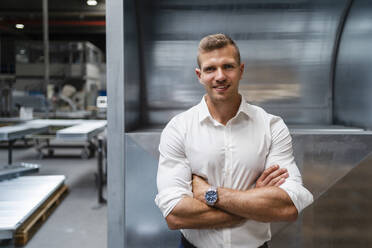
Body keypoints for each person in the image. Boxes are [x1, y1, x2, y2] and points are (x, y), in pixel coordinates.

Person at [155, 33, 313, 248]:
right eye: (210, 69)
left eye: (228, 66)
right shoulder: (178, 128)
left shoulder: (271, 126)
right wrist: (252, 203)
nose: (220, 76)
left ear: (241, 70)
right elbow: (175, 215)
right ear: (199, 75)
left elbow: (287, 207)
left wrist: (210, 193)